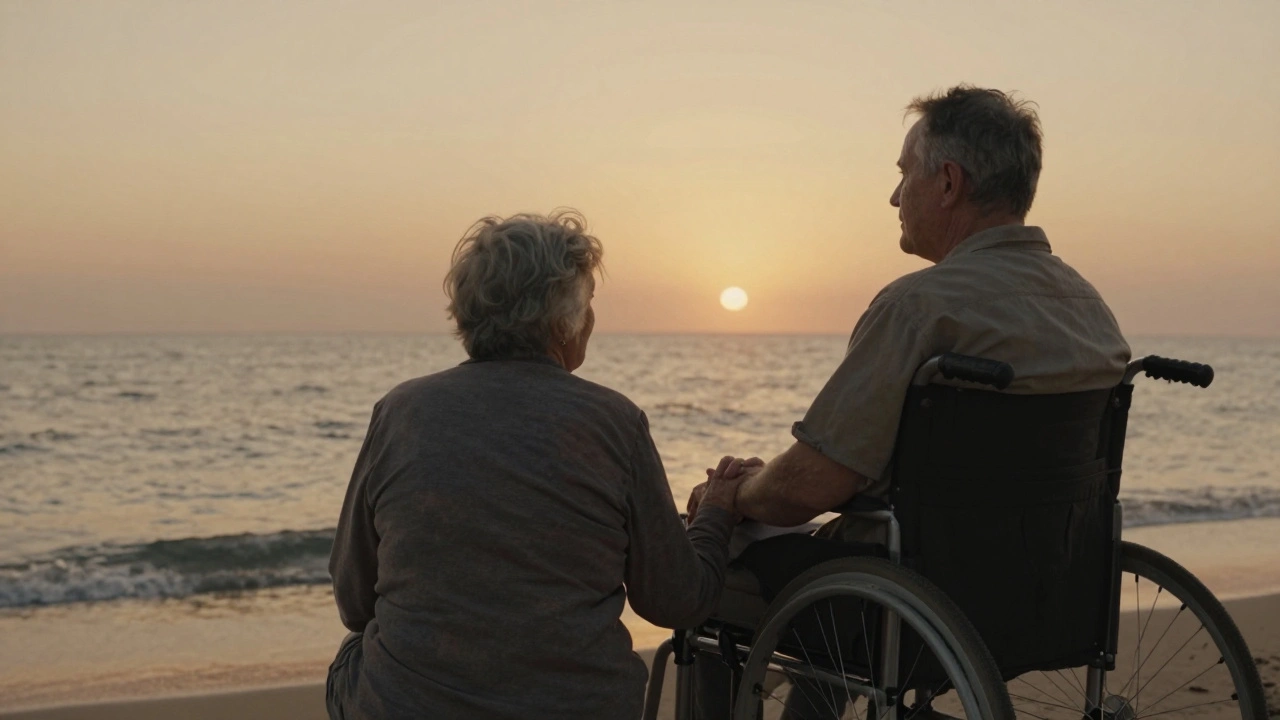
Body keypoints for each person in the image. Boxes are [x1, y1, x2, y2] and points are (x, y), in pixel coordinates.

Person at [687, 85, 1132, 718]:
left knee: (703, 576)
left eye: (904, 174)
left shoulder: (919, 306)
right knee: (851, 567)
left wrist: (733, 497)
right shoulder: (1092, 310)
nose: (895, 197)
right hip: (1049, 596)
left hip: (914, 603)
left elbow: (814, 483)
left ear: (947, 182)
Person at [326, 210, 746, 720]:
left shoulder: (400, 411)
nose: (592, 320)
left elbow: (354, 599)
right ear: (563, 322)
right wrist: (716, 515)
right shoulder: (614, 421)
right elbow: (676, 600)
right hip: (579, 709)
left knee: (357, 650)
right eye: (589, 304)